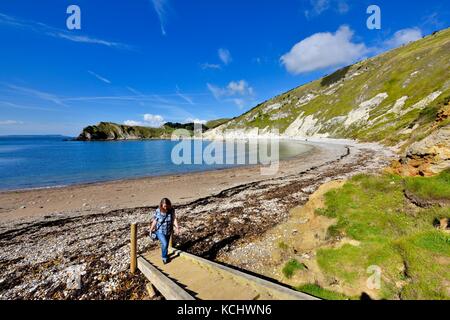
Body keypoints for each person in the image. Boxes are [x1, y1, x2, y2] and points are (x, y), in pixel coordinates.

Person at [150, 198, 180, 264]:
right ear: (161, 205)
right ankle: (164, 257)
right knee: (165, 243)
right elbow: (155, 220)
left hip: (168, 231)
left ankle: (164, 255)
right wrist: (151, 229)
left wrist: (177, 227)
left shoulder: (172, 210)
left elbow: (174, 219)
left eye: (167, 206)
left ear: (169, 205)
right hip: (160, 231)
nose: (165, 207)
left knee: (164, 245)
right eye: (164, 206)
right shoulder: (158, 210)